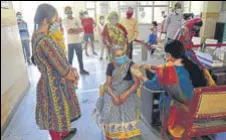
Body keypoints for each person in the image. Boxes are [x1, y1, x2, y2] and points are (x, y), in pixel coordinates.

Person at [134, 40, 207, 139]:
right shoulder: (192, 65)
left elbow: (152, 86)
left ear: (169, 55)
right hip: (194, 107)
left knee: (163, 100)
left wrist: (141, 76)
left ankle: (166, 133)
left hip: (175, 109)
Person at [31, 4, 81, 140]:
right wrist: (73, 74)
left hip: (49, 80)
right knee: (55, 114)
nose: (57, 22)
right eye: (55, 19)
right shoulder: (45, 41)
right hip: (53, 84)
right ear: (47, 20)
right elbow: (61, 66)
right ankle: (57, 138)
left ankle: (64, 133)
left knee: (58, 112)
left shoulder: (37, 36)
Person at [92, 45, 142, 140]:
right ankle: (110, 134)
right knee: (109, 106)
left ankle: (123, 136)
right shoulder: (110, 66)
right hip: (113, 91)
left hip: (129, 91)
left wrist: (126, 93)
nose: (121, 57)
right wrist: (114, 96)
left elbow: (136, 83)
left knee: (126, 107)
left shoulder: (130, 64)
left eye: (122, 54)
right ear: (113, 57)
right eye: (118, 55)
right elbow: (108, 84)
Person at [174, 18, 216, 86]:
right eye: (196, 27)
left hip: (186, 51)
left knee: (201, 65)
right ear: (193, 24)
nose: (197, 29)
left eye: (198, 28)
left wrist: (191, 44)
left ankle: (204, 81)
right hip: (181, 52)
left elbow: (188, 41)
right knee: (196, 66)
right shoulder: (185, 29)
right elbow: (178, 42)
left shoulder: (191, 30)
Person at [63, 6, 89, 75]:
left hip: (78, 41)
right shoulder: (65, 20)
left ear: (72, 10)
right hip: (70, 42)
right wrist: (77, 30)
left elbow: (82, 29)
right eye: (67, 10)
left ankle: (82, 70)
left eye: (70, 10)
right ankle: (69, 72)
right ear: (65, 12)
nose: (69, 11)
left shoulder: (76, 19)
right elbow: (69, 31)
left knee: (80, 57)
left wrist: (74, 30)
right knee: (70, 59)